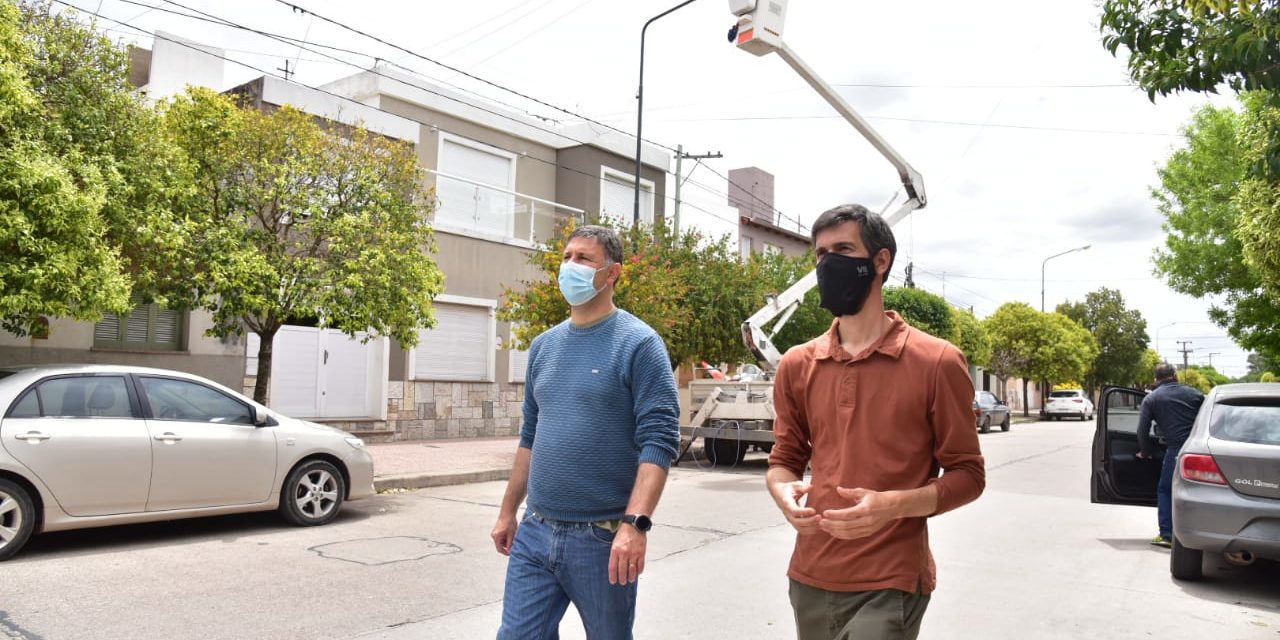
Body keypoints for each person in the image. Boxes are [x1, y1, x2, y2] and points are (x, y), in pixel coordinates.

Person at [767, 204, 986, 640]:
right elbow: (785, 459)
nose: (829, 263)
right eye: (821, 255)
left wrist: (892, 506)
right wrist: (781, 490)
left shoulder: (937, 361)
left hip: (891, 581)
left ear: (880, 261)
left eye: (843, 249)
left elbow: (968, 475)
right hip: (810, 574)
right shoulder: (797, 363)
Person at [490, 225, 681, 640]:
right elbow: (531, 435)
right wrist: (508, 511)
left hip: (603, 538)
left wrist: (635, 525)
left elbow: (660, 438)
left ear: (611, 273)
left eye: (584, 259)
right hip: (536, 529)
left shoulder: (639, 343)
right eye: (567, 257)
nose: (570, 267)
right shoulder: (543, 346)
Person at [1135, 362, 1206, 548]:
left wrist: (1145, 451)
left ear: (1155, 379)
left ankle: (1167, 535)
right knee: (1202, 491)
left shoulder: (1152, 399)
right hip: (1200, 449)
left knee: (1166, 490)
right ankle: (1205, 531)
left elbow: (1142, 430)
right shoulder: (1196, 394)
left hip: (1175, 450)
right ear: (1175, 375)